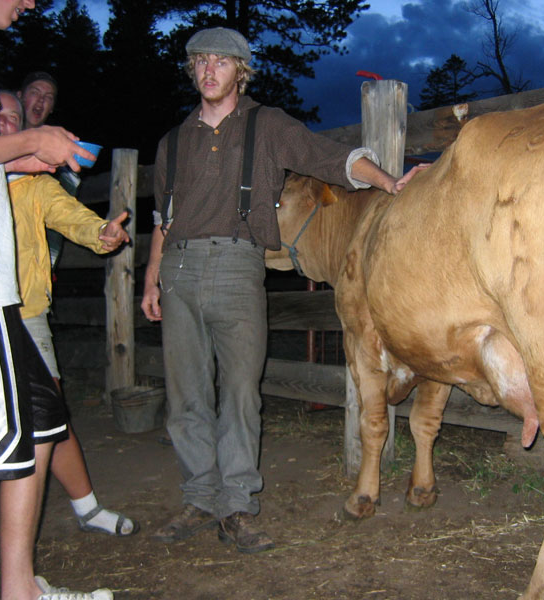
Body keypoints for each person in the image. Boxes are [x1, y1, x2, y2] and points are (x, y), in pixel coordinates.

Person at [141, 27, 419, 553]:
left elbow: (329, 157)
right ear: (192, 69)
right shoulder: (172, 141)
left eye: (222, 62)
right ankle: (199, 498)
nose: (209, 71)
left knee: (241, 394)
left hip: (237, 266)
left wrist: (389, 182)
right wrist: (152, 276)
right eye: (201, 61)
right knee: (186, 397)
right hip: (178, 271)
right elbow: (163, 218)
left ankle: (237, 506)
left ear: (240, 73)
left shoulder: (267, 125)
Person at [0, 1, 110, 599]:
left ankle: (20, 587)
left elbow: (71, 216)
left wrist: (27, 156)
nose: (31, 4)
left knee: (40, 417)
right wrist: (31, 141)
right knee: (14, 425)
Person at [0, 90, 136, 573]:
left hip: (26, 313)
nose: (5, 123)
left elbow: (71, 216)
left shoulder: (34, 186)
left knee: (50, 414)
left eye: (13, 118)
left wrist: (102, 233)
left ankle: (88, 508)